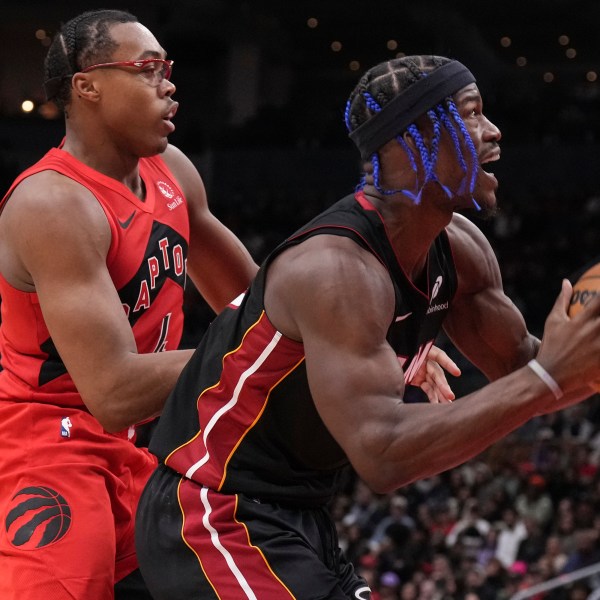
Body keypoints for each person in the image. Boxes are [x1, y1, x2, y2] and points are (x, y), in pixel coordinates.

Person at [135, 55, 600, 599]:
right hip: (211, 511)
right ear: (409, 142)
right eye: (472, 114)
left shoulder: (460, 249)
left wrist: (566, 365)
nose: (494, 131)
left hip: (295, 511)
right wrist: (546, 376)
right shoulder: (335, 270)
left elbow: (521, 366)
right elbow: (383, 455)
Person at [0, 9, 259, 600]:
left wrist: (367, 340)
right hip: (49, 448)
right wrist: (279, 345)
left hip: (140, 447)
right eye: (147, 69)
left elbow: (257, 305)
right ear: (86, 84)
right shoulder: (52, 204)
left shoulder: (171, 171)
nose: (168, 84)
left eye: (167, 68)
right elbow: (113, 391)